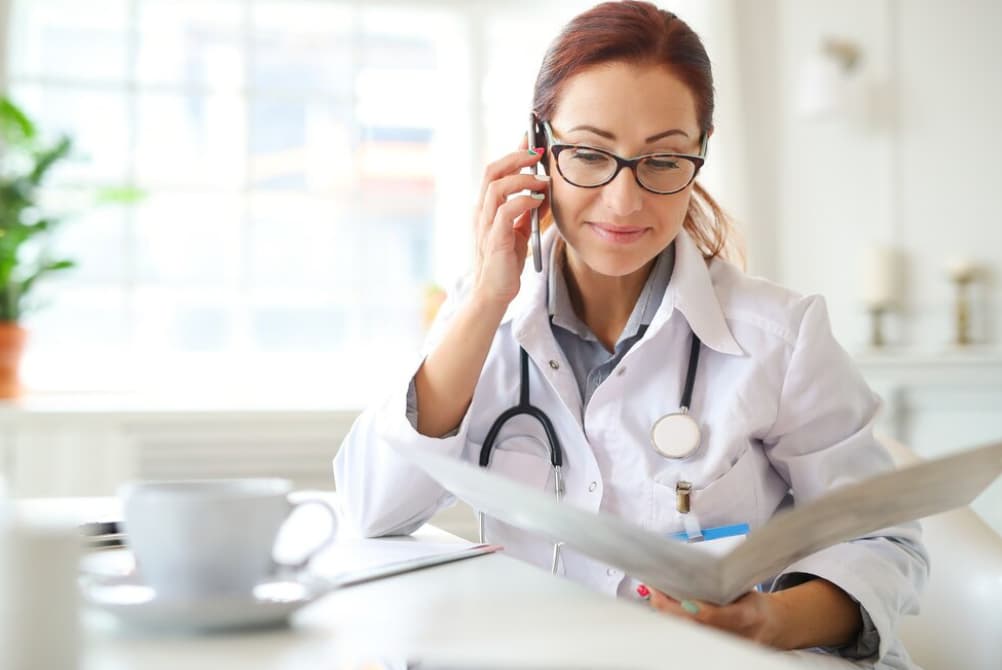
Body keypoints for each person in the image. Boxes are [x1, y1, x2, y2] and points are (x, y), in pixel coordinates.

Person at [334, 2, 927, 668]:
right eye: (588, 153)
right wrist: (488, 297)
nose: (624, 202)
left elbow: (886, 543)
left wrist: (769, 620)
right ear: (540, 147)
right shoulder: (485, 319)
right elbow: (371, 507)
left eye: (664, 160)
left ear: (700, 152)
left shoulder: (779, 337)